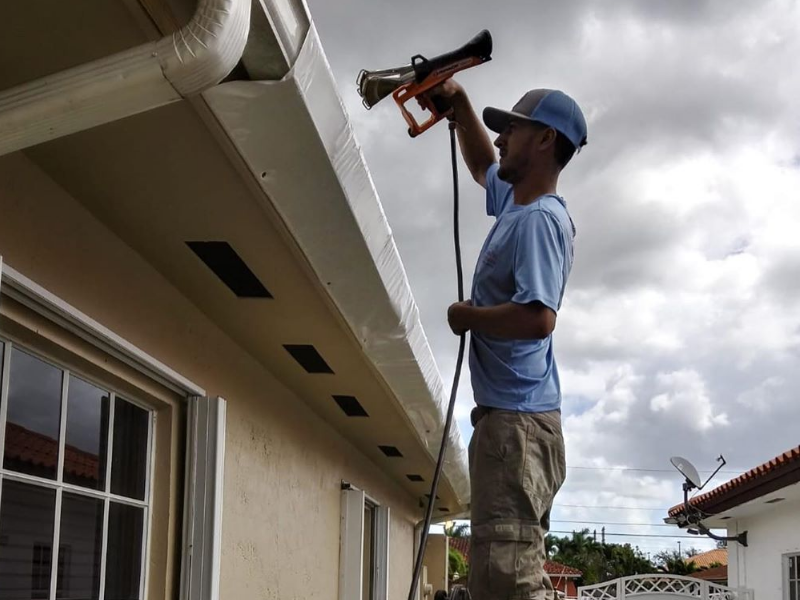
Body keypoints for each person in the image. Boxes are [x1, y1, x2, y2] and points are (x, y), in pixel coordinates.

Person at [431, 81, 588, 600]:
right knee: (497, 575)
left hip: (518, 426)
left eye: (511, 129)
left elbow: (539, 318)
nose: (499, 140)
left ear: (544, 140)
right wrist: (458, 106)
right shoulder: (517, 205)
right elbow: (481, 167)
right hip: (513, 424)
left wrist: (468, 316)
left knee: (507, 579)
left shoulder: (540, 220)